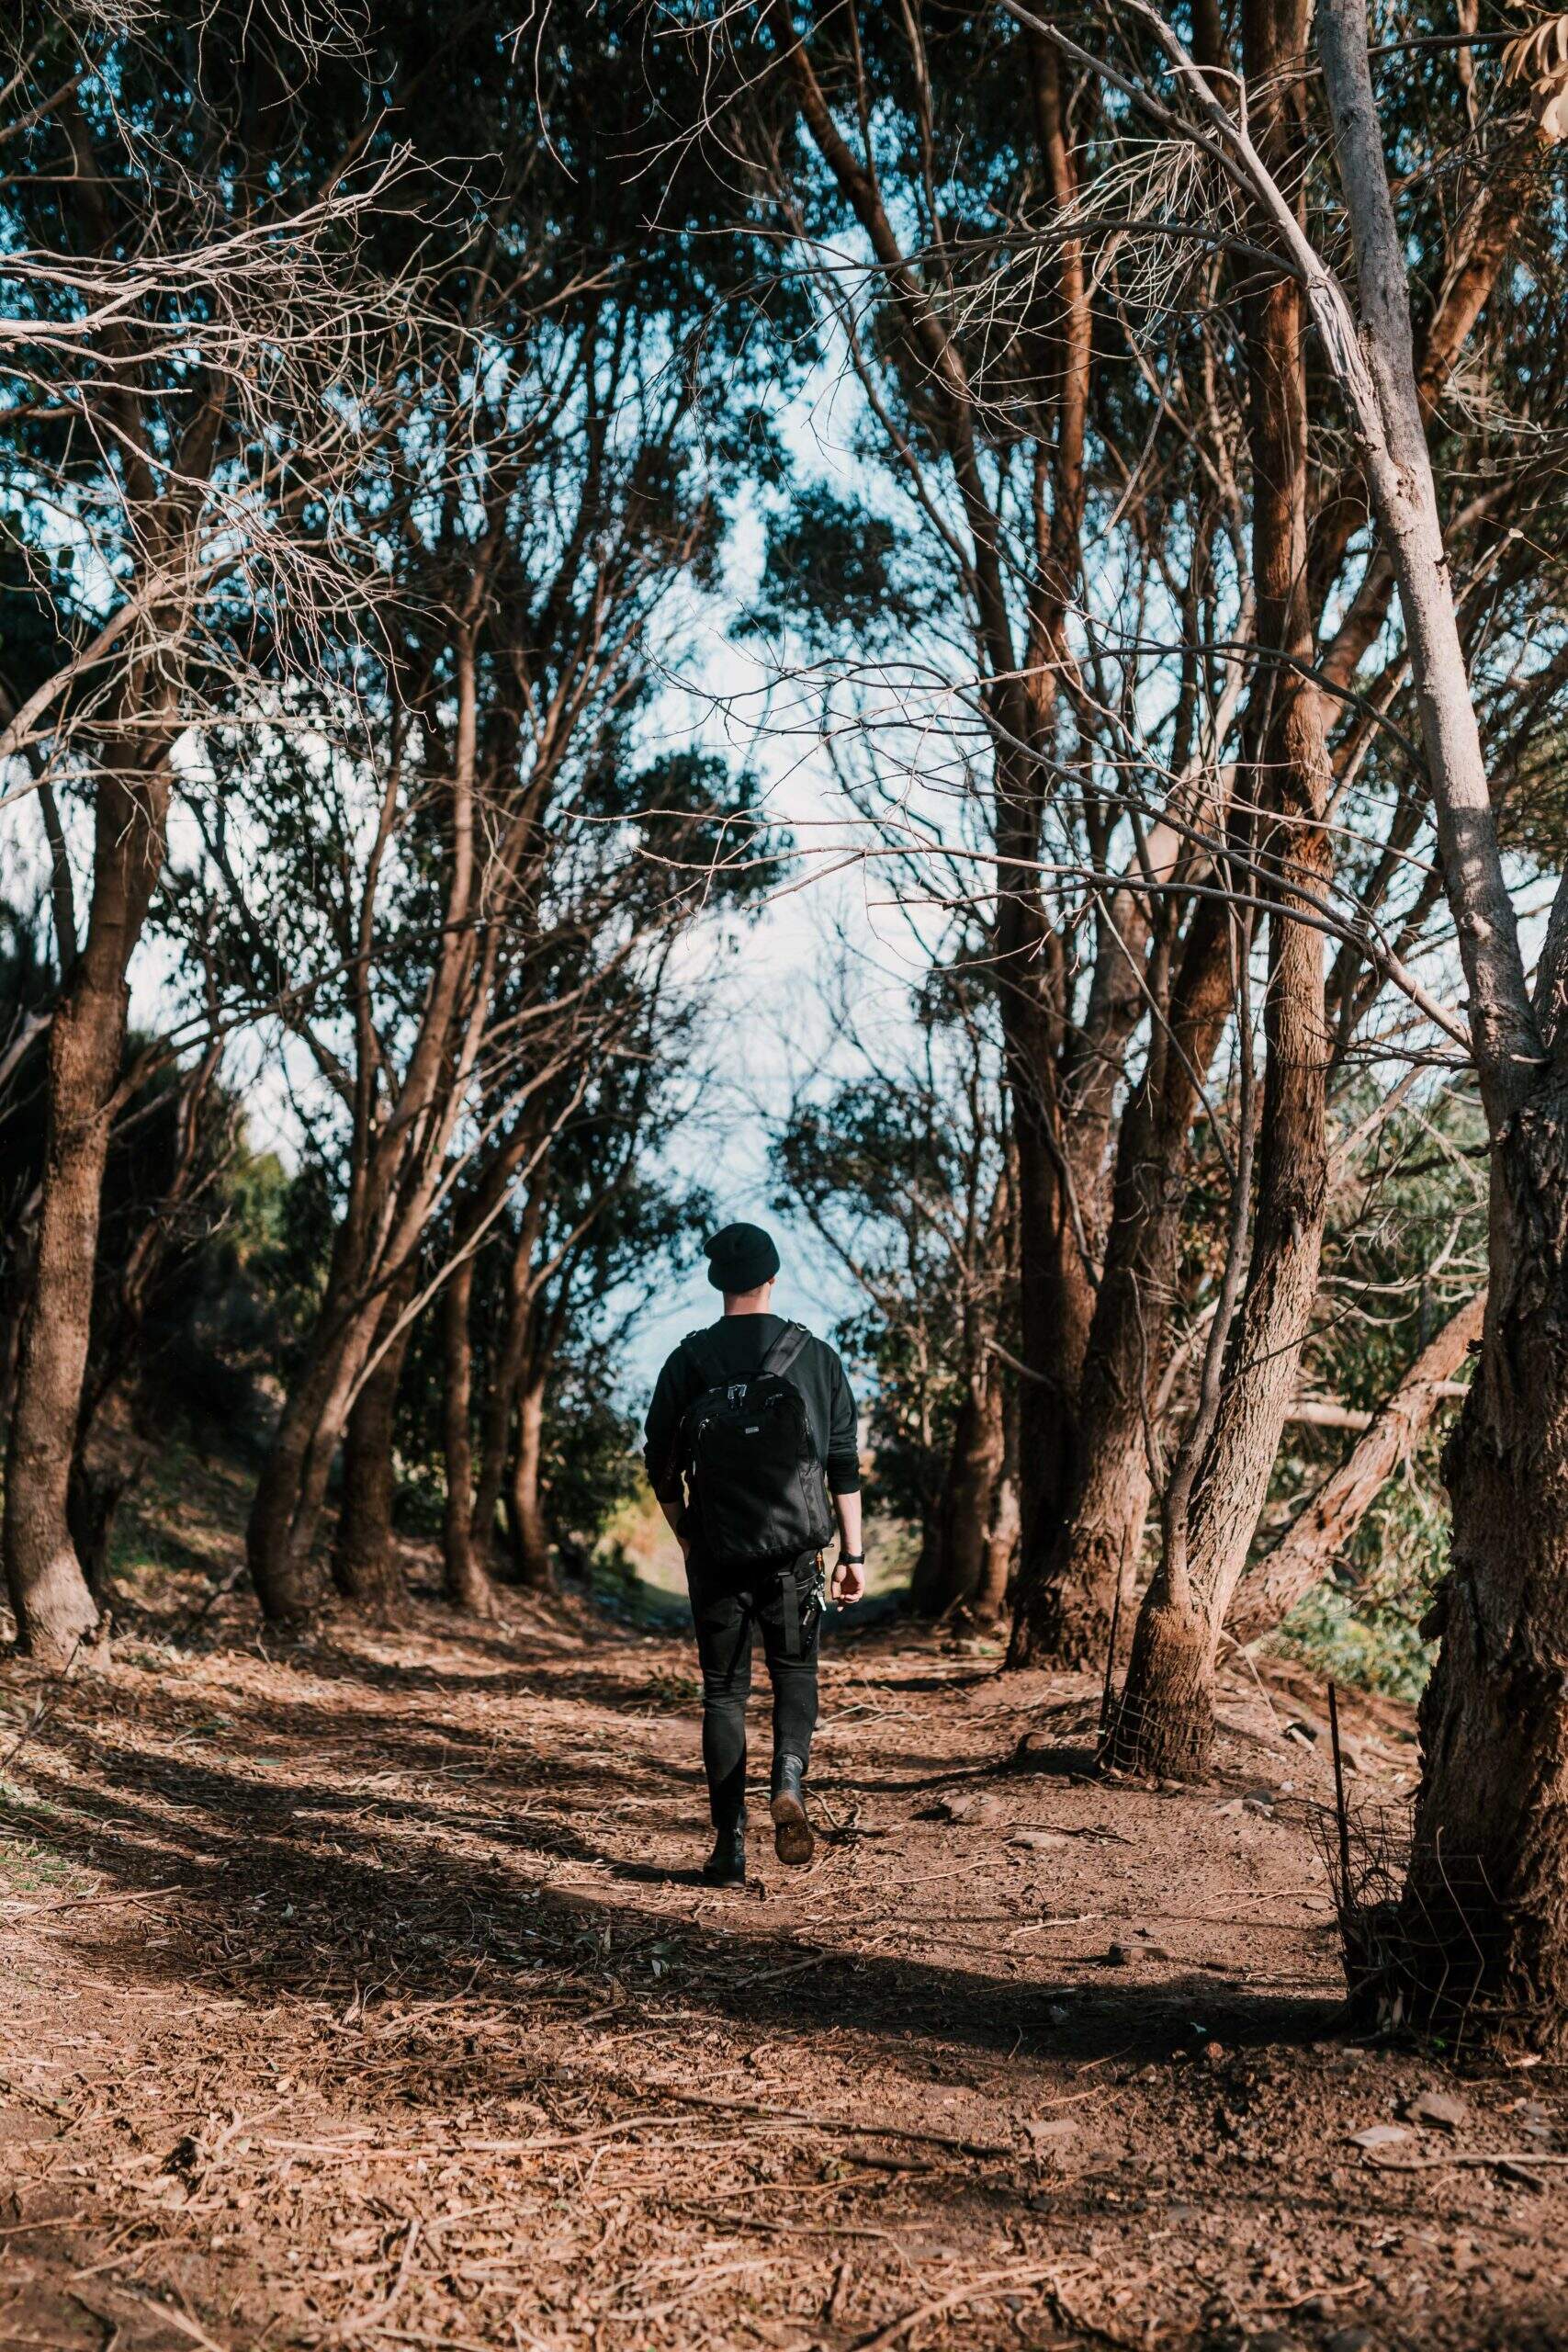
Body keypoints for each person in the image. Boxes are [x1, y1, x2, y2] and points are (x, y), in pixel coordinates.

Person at [644, 1221, 865, 1885]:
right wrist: (852, 1554)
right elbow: (843, 1463)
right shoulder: (816, 1357)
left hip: (717, 1555)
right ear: (773, 1277)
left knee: (723, 1692)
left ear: (718, 1282)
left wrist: (687, 1534)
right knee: (795, 1673)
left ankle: (728, 1847)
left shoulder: (687, 1360)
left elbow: (660, 1464)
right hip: (793, 1557)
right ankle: (788, 1781)